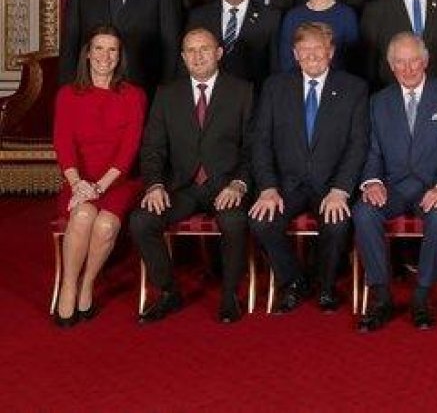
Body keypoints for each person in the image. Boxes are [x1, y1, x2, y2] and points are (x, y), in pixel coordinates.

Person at [131, 27, 255, 324]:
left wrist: (239, 184)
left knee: (235, 221)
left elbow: (254, 148)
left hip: (225, 185)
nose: (198, 56)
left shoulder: (242, 91)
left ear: (219, 53)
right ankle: (168, 292)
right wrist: (155, 185)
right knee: (141, 220)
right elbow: (152, 148)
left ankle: (229, 295)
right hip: (181, 188)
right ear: (183, 57)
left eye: (204, 49)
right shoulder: (166, 94)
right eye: (191, 51)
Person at [353, 33, 437, 332]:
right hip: (391, 187)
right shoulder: (378, 102)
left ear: (426, 61)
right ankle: (381, 296)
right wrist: (371, 181)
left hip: (432, 187)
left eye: (414, 61)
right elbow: (370, 150)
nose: (408, 69)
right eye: (400, 63)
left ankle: (421, 296)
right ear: (391, 66)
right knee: (364, 212)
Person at [250, 22, 368, 313]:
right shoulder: (275, 87)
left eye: (318, 49)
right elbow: (261, 142)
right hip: (287, 185)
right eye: (305, 49)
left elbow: (358, 144)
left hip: (331, 185)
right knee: (261, 221)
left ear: (331, 52)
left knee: (338, 222)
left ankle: (326, 287)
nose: (312, 55)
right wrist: (267, 188)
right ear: (294, 53)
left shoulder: (354, 88)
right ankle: (293, 282)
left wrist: (341, 190)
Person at [51, 26, 147, 327]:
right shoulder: (68, 94)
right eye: (99, 48)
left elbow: (129, 148)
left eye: (113, 50)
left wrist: (100, 186)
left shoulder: (134, 95)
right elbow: (62, 143)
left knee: (105, 224)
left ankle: (88, 283)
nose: (105, 56)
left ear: (120, 56)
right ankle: (69, 284)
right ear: (88, 53)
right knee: (82, 217)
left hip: (117, 181)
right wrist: (79, 183)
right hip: (77, 180)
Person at [187, 0, 281, 90]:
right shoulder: (198, 16)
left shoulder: (271, 17)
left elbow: (275, 69)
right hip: (208, 100)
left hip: (254, 100)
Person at [277, 0, 359, 73]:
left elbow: (353, 62)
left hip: (339, 85)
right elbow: (286, 61)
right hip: (299, 85)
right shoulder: (292, 17)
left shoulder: (347, 15)